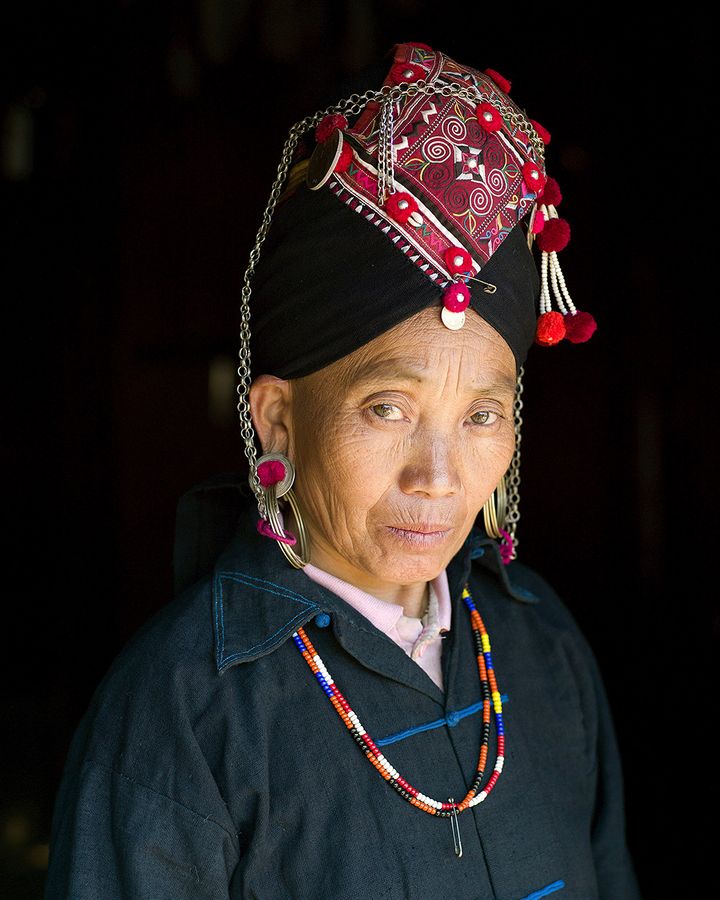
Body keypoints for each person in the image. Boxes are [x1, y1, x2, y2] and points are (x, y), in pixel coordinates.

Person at [44, 42, 641, 899]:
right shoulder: (180, 714)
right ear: (279, 417)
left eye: (482, 416)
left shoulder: (540, 645)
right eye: (387, 409)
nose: (437, 477)